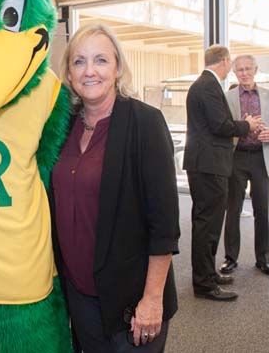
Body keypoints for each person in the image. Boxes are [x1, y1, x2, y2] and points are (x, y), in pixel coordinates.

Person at [51, 23, 180, 352]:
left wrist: (152, 300)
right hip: (79, 294)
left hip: (132, 301)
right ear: (68, 72)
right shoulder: (62, 128)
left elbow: (164, 225)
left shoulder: (145, 123)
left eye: (100, 60)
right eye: (79, 62)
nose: (89, 71)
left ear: (118, 67)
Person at [184, 44, 260, 301]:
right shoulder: (207, 85)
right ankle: (204, 284)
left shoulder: (205, 84)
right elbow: (220, 125)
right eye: (232, 64)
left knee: (207, 223)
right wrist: (247, 125)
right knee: (208, 225)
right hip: (208, 165)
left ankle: (207, 274)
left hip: (206, 164)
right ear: (225, 61)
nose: (234, 69)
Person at [221, 55, 269, 277]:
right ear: (234, 72)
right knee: (232, 211)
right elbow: (223, 128)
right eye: (239, 70)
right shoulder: (227, 98)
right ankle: (230, 259)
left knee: (262, 212)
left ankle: (264, 260)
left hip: (262, 158)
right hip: (236, 158)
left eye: (248, 69)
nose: (244, 73)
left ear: (256, 69)